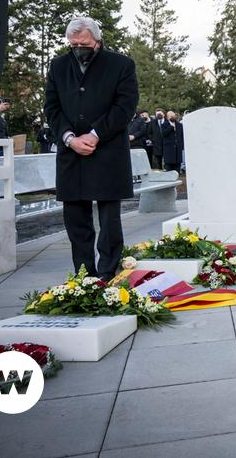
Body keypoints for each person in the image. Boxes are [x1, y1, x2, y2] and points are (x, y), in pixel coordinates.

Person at [43, 16, 138, 280]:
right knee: (76, 222)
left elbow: (124, 107)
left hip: (106, 152)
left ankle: (108, 274)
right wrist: (69, 138)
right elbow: (52, 108)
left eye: (83, 44)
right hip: (71, 153)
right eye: (72, 45)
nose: (78, 50)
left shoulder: (121, 65)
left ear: (96, 40)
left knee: (109, 222)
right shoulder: (59, 66)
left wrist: (95, 135)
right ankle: (85, 276)